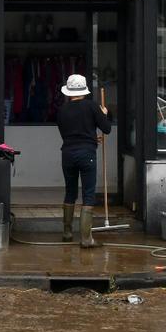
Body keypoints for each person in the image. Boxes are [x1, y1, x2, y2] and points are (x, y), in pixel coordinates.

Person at [56, 74, 112, 248]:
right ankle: (86, 239)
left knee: (70, 192)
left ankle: (67, 232)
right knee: (88, 194)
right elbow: (107, 129)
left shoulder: (62, 110)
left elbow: (71, 133)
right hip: (87, 154)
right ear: (84, 89)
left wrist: (91, 138)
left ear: (69, 91)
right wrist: (104, 114)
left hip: (67, 154)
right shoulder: (92, 106)